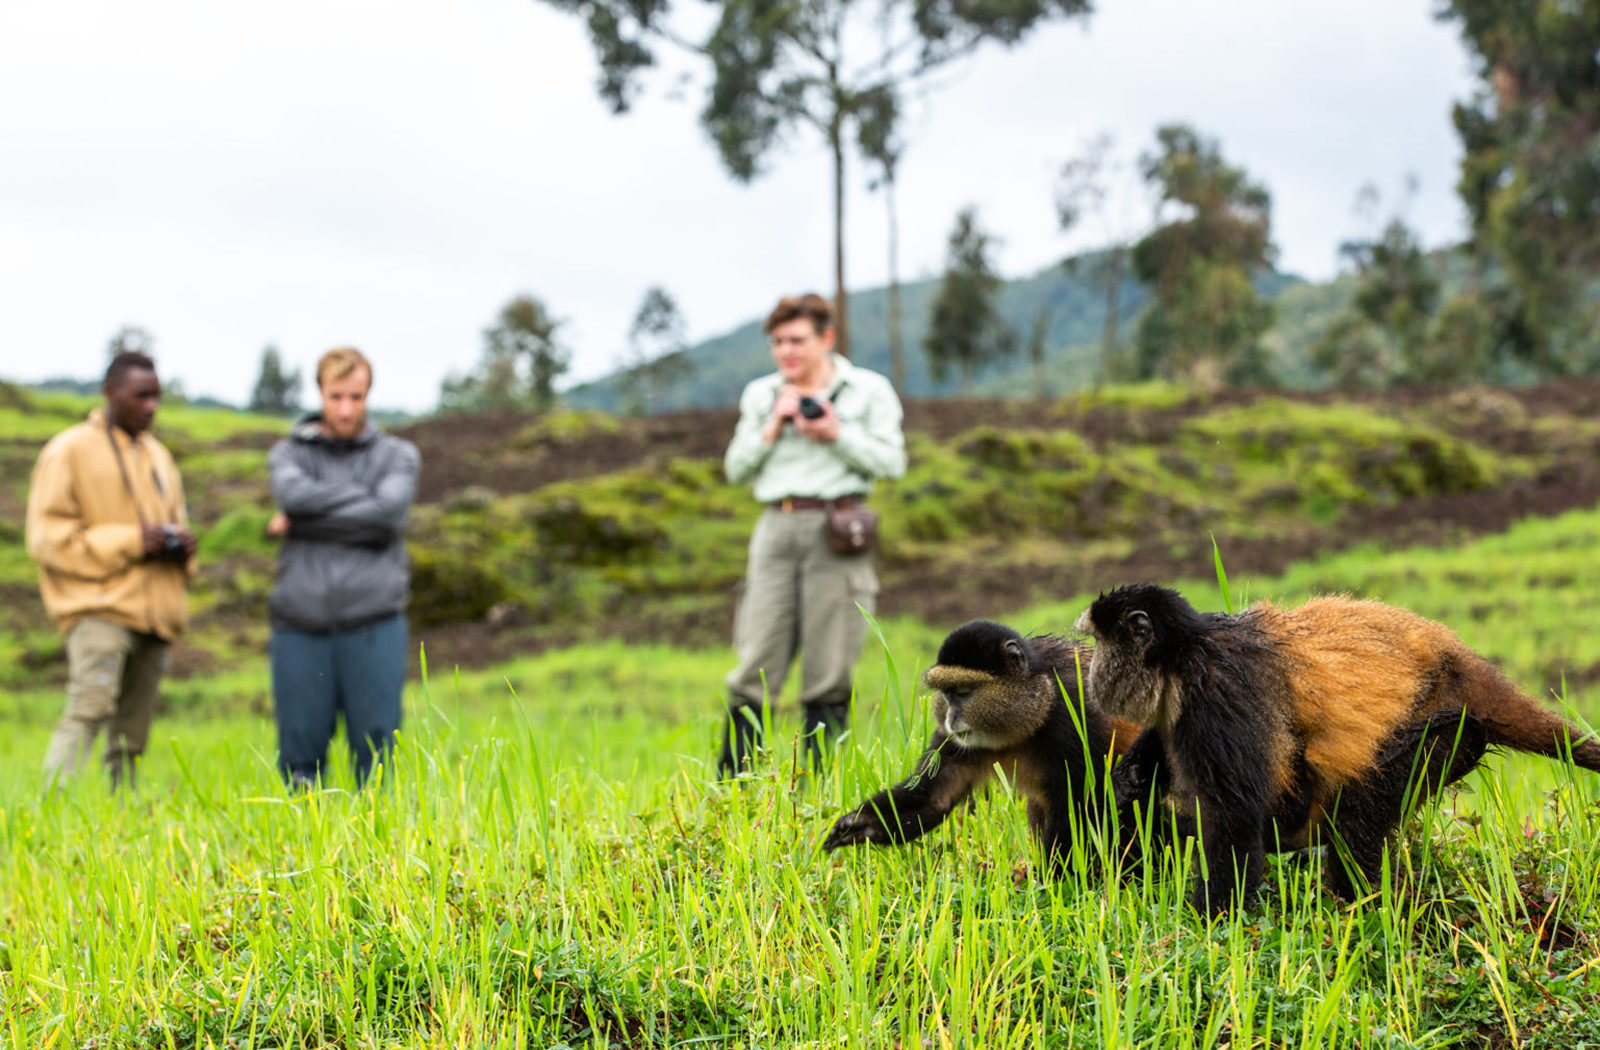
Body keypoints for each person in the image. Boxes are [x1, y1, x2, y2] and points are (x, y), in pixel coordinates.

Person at [718, 293, 907, 776]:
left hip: (839, 529)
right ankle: (732, 790)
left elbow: (892, 462)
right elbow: (735, 470)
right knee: (755, 656)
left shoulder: (867, 390)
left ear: (826, 338)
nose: (787, 352)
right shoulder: (761, 394)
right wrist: (773, 424)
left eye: (797, 340)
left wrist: (835, 433)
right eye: (778, 342)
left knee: (829, 663)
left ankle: (820, 789)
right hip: (775, 528)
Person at [25, 350, 197, 790]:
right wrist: (132, 540)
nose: (151, 406)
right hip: (99, 607)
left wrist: (180, 547)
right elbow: (47, 537)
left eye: (156, 396)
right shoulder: (68, 451)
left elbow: (177, 522)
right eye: (141, 396)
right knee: (89, 708)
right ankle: (52, 811)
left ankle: (121, 817)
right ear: (110, 392)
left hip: (156, 613)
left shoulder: (159, 456)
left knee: (133, 733)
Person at [266, 347, 420, 789]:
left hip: (375, 622)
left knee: (376, 756)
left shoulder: (398, 456)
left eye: (356, 396)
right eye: (336, 396)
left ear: (369, 394)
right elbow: (293, 496)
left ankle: (378, 853)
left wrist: (307, 520)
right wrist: (363, 508)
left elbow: (388, 516)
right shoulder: (288, 454)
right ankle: (300, 849)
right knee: (299, 758)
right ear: (320, 393)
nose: (346, 408)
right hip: (300, 623)